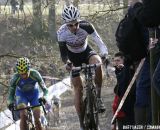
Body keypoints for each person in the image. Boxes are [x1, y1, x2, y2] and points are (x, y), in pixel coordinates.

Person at [57, 5, 108, 130]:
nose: (74, 27)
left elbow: (100, 43)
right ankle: (81, 122)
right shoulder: (61, 33)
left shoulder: (87, 26)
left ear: (79, 21)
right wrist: (68, 63)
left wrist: (104, 54)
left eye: (76, 24)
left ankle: (99, 97)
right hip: (72, 58)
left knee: (97, 62)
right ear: (65, 24)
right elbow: (63, 54)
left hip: (86, 52)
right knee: (78, 89)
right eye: (70, 25)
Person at [7, 57, 49, 130]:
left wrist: (44, 97)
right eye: (21, 74)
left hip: (34, 95)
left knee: (37, 120)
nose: (23, 76)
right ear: (18, 72)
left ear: (29, 69)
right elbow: (10, 95)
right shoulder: (15, 78)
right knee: (23, 116)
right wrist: (10, 102)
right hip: (21, 95)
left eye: (25, 73)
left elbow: (45, 90)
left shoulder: (35, 74)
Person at [111, 52, 135, 130]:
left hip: (128, 109)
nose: (116, 63)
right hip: (121, 112)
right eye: (115, 61)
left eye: (118, 60)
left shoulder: (128, 70)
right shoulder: (119, 71)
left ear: (123, 60)